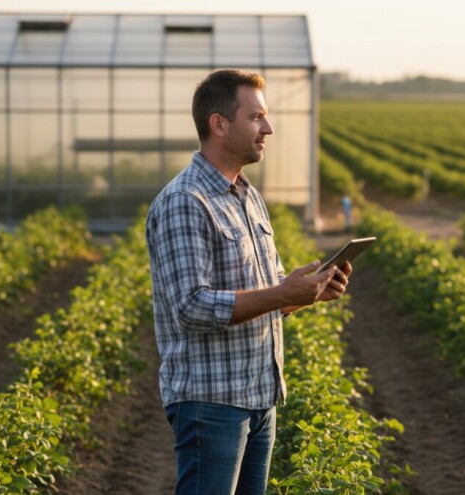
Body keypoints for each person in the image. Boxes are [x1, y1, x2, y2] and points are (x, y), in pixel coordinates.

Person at [145, 69, 352, 495]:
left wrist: (305, 294)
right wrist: (281, 292)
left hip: (259, 396)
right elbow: (191, 307)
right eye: (256, 117)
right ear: (219, 124)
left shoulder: (247, 196)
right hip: (211, 401)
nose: (268, 128)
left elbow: (265, 295)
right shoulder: (185, 202)